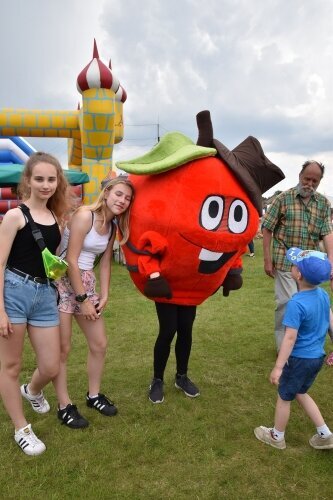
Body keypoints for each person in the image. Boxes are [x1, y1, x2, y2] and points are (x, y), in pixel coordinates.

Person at [0, 152, 70, 456]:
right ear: (27, 180)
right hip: (13, 292)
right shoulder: (15, 215)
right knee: (11, 365)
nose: (45, 184)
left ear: (58, 181)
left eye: (51, 179)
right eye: (39, 178)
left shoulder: (57, 217)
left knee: (51, 365)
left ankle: (32, 390)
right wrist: (0, 309)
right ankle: (21, 429)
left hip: (44, 295)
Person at [53, 176, 134, 428]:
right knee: (63, 350)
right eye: (119, 194)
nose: (123, 200)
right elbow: (72, 261)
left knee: (99, 344)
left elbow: (106, 261)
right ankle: (64, 405)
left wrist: (105, 294)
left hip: (85, 284)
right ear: (107, 192)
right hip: (63, 282)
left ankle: (94, 395)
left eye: (128, 198)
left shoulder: (112, 226)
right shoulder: (84, 216)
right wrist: (83, 299)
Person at [254, 247, 333, 450]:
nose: (292, 266)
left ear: (298, 274)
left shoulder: (296, 303)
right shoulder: (323, 295)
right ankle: (325, 433)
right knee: (300, 392)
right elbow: (330, 319)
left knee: (284, 396)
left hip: (299, 359)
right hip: (316, 357)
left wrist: (279, 367)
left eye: (294, 264)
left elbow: (289, 338)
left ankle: (276, 436)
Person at [262, 160, 333, 351]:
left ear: (319, 182)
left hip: (310, 265)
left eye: (314, 181)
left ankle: (307, 344)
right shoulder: (283, 199)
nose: (309, 184)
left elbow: (327, 233)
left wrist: (331, 261)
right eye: (306, 179)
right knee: (287, 303)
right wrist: (267, 259)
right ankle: (285, 351)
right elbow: (267, 228)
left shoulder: (324, 203)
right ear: (300, 176)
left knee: (316, 303)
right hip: (285, 260)